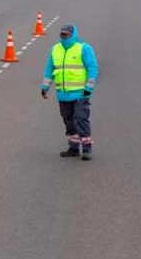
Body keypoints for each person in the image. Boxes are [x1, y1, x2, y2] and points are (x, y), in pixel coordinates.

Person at [41, 23, 99, 160]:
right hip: (63, 93)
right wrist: (45, 87)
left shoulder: (84, 48)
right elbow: (49, 69)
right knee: (68, 120)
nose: (63, 36)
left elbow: (92, 68)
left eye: (66, 34)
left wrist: (89, 88)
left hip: (80, 93)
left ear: (73, 35)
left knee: (80, 118)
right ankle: (73, 147)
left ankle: (86, 148)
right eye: (62, 34)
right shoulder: (56, 49)